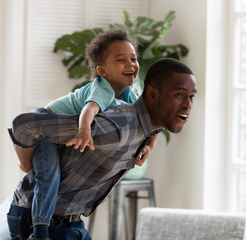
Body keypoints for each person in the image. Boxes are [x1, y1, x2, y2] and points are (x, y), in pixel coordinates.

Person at [7, 58, 197, 240]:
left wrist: (151, 143)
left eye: (191, 97)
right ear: (152, 94)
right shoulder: (115, 128)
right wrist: (26, 163)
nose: (188, 105)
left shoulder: (145, 127)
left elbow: (154, 120)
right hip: (36, 220)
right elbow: (24, 126)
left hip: (71, 222)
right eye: (179, 95)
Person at [12, 29, 160, 240]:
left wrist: (150, 146)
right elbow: (89, 110)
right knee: (49, 176)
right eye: (121, 60)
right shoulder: (103, 87)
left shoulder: (127, 93)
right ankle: (40, 232)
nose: (131, 64)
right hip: (46, 126)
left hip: (59, 133)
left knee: (53, 174)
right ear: (102, 71)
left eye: (133, 59)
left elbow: (151, 120)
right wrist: (84, 131)